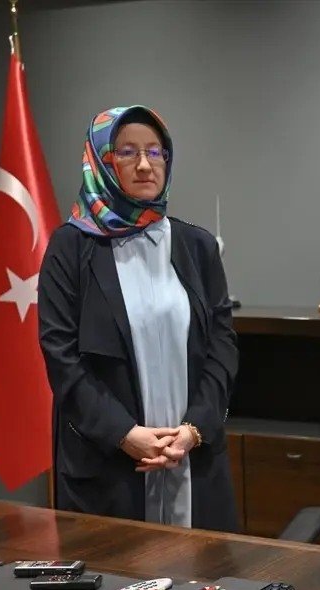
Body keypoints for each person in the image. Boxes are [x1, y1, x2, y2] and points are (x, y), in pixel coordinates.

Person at [37, 105, 239, 533]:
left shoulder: (198, 246)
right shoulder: (70, 248)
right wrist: (124, 434)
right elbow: (61, 357)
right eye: (127, 152)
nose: (145, 165)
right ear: (101, 162)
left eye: (155, 151)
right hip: (108, 467)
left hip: (194, 459)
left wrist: (193, 430)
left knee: (205, 573)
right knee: (115, 575)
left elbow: (222, 345)